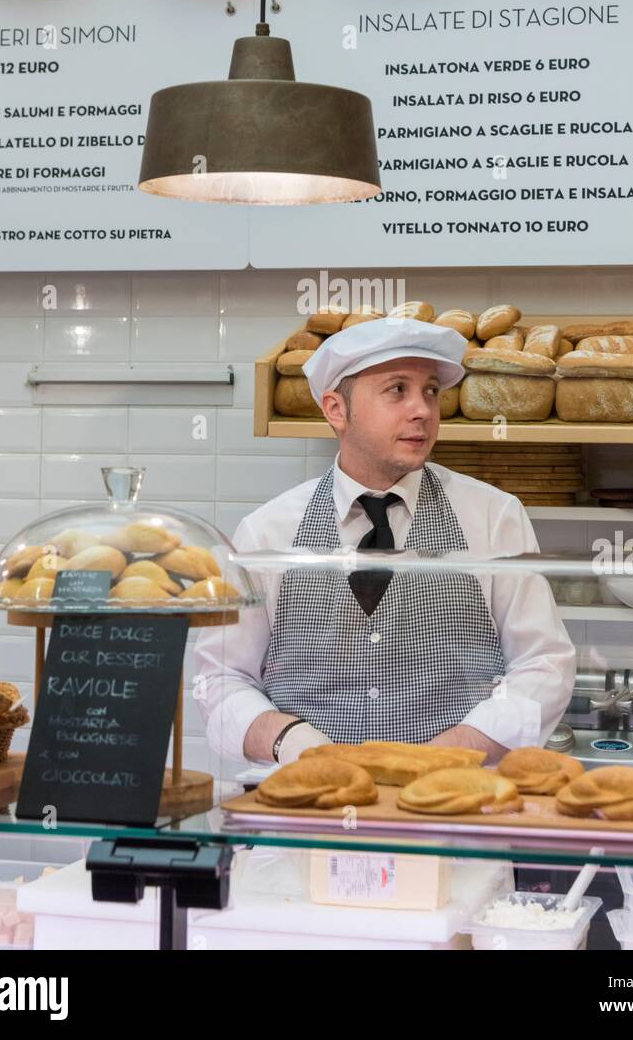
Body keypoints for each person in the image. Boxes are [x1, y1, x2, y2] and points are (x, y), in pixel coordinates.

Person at [195, 317, 575, 768]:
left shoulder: (493, 517)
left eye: (431, 390)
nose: (423, 410)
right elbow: (221, 677)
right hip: (304, 809)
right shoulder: (268, 531)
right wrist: (292, 743)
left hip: (453, 806)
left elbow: (544, 662)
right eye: (398, 390)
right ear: (337, 409)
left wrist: (455, 751)